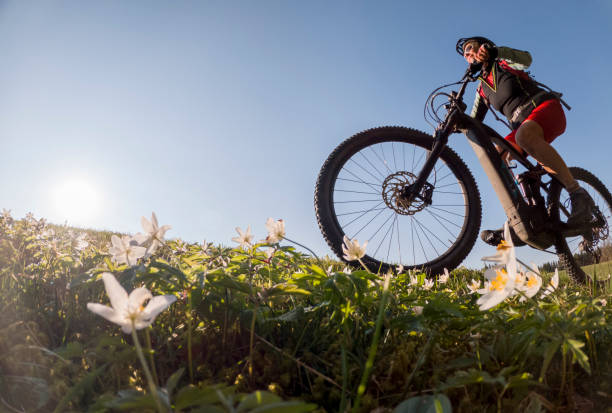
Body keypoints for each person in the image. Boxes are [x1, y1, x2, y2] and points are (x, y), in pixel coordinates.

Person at [456, 36, 595, 246]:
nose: (470, 54)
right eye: (466, 54)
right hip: (524, 128)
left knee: (523, 136)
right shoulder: (481, 89)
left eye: (472, 48)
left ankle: (578, 193)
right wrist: (457, 120)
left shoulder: (502, 62)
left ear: (483, 46)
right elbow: (474, 121)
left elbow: (526, 60)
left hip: (545, 109)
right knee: (496, 157)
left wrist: (496, 51)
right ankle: (522, 217)